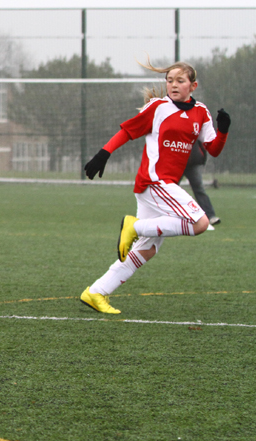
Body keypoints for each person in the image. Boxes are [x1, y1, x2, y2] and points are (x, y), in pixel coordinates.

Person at [80, 59, 231, 314]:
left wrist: (223, 130)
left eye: (179, 81)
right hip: (154, 182)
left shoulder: (201, 113)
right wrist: (103, 153)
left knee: (146, 249)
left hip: (164, 186)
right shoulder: (158, 107)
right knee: (200, 223)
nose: (173, 85)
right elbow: (128, 131)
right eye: (169, 80)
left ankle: (96, 292)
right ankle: (133, 226)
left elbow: (213, 149)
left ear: (193, 85)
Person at [181, 139, 220, 229]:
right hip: (177, 162)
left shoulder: (195, 126)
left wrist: (202, 157)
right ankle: (165, 215)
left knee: (199, 189)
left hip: (193, 162)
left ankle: (210, 216)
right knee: (171, 188)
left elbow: (201, 142)